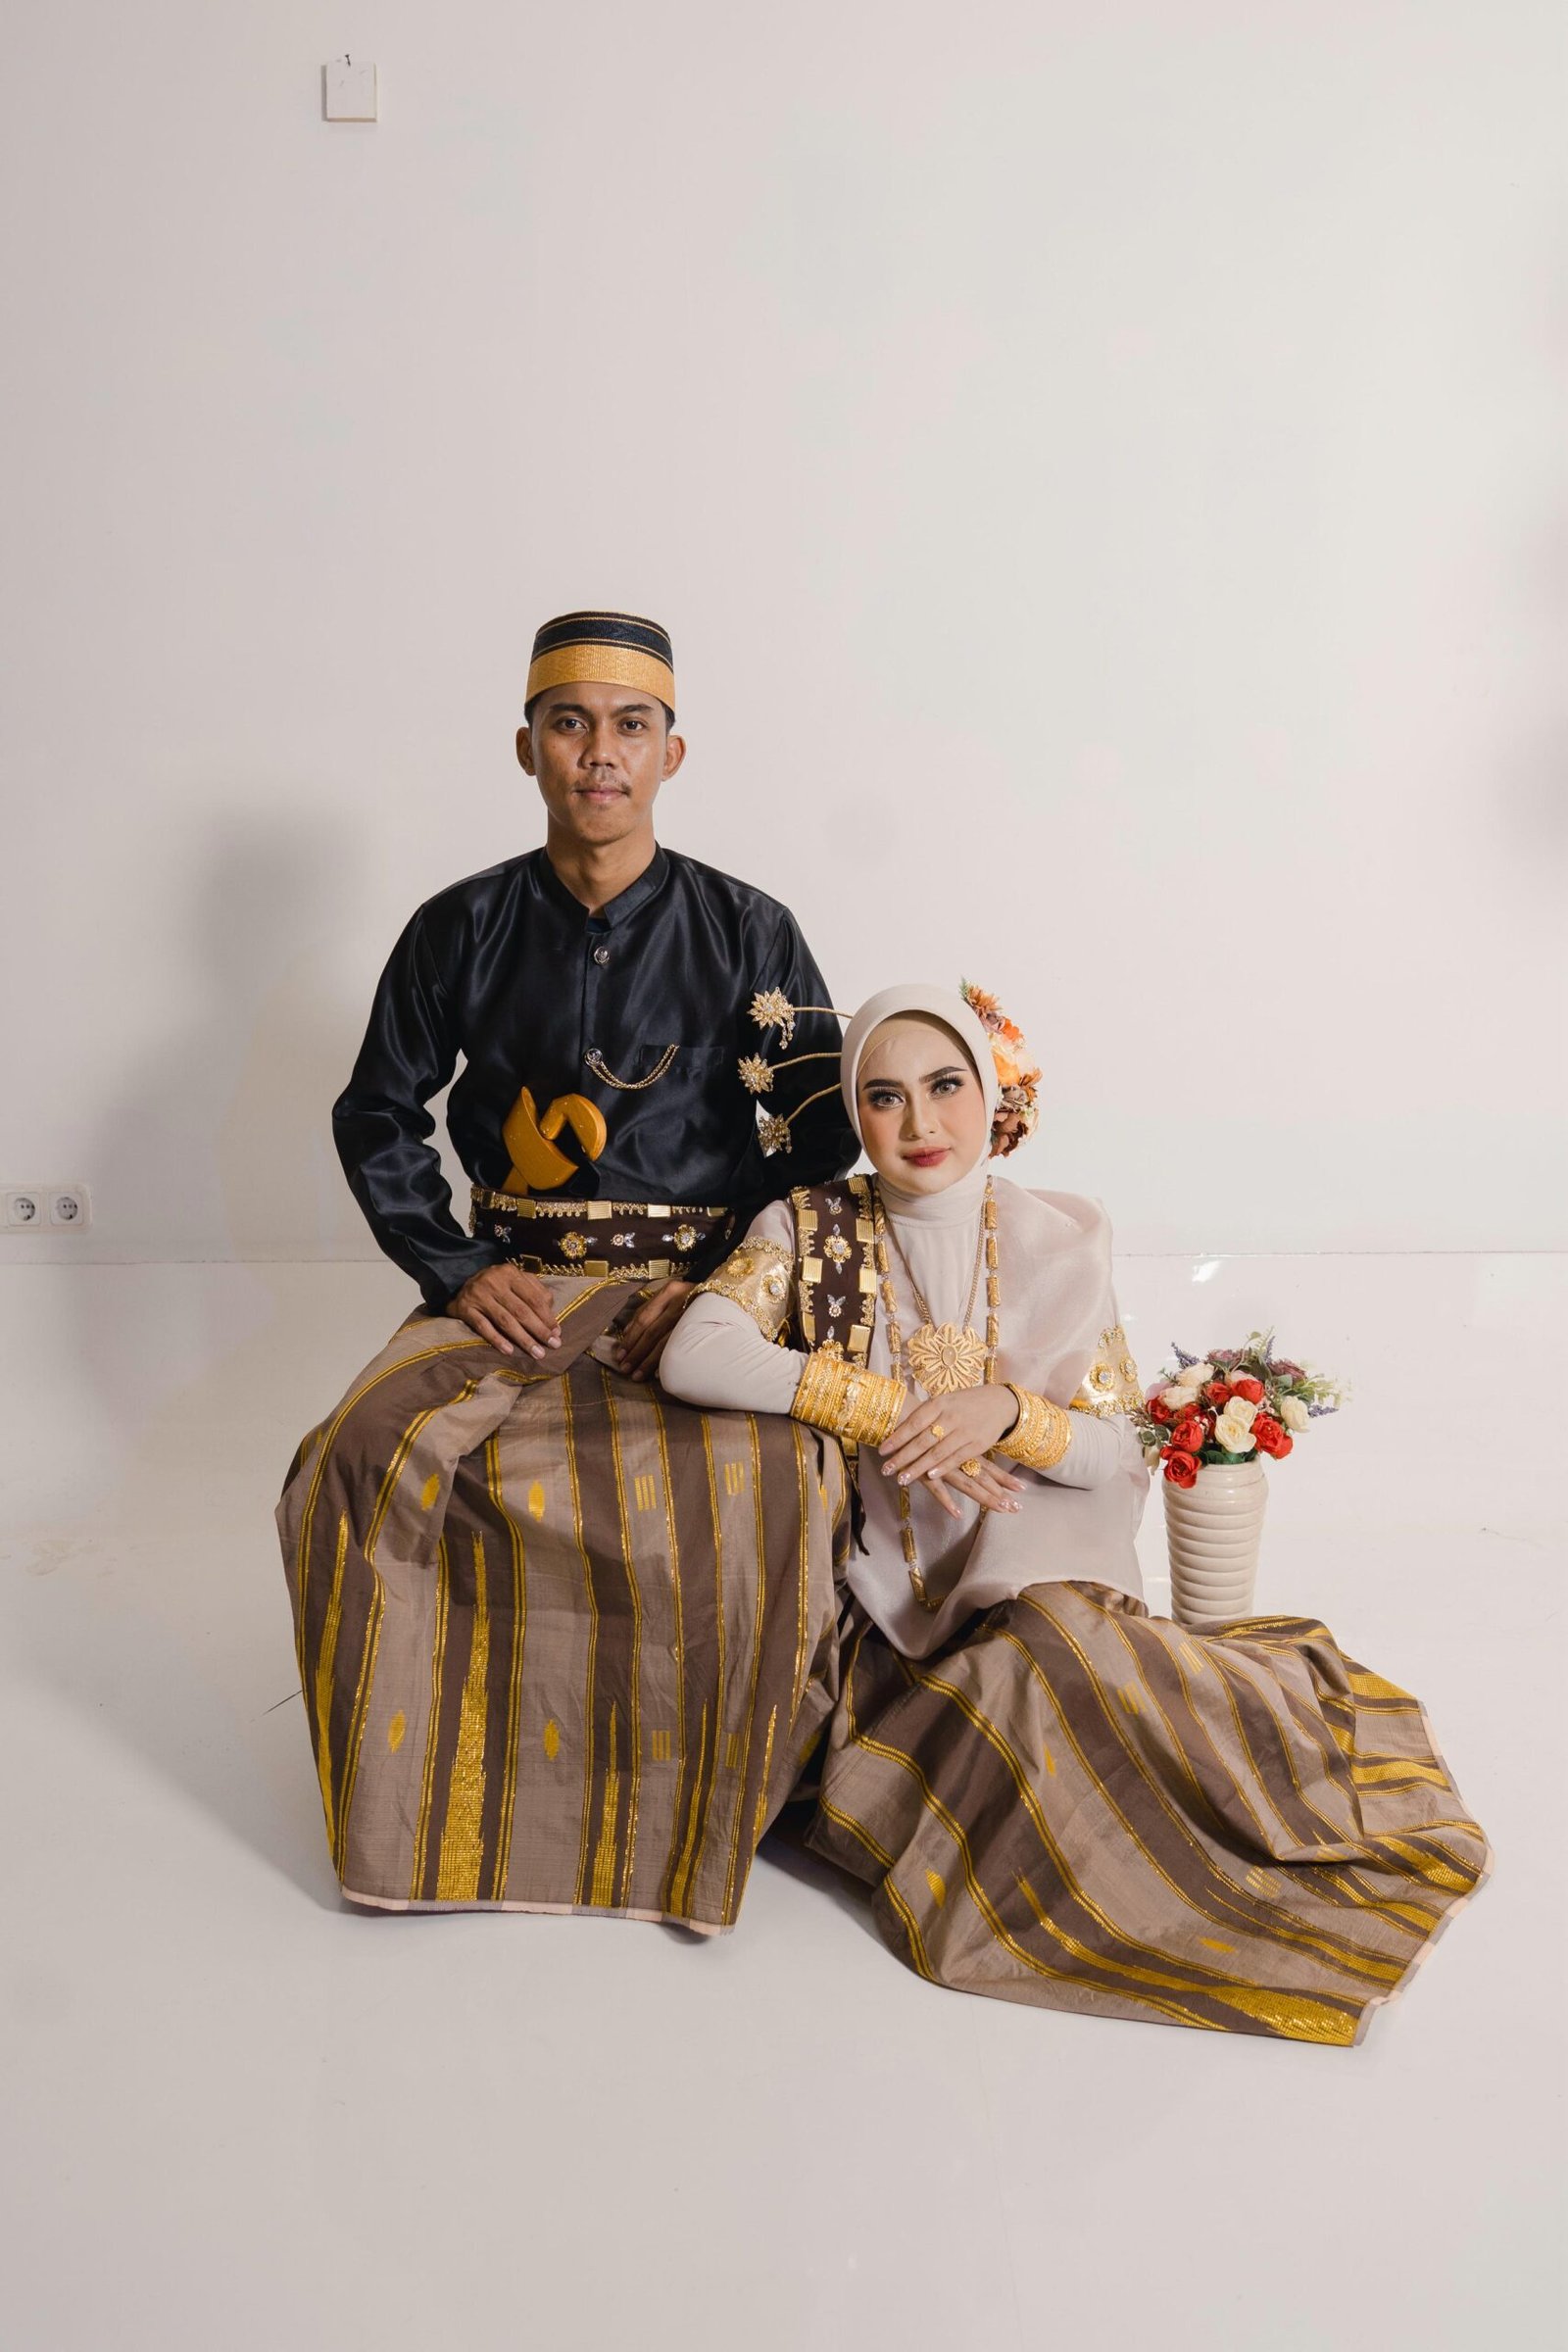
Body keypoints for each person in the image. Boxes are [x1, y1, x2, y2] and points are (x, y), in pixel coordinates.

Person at [660, 983, 1492, 2041]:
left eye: (945, 1086)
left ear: (990, 1090)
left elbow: (1114, 1446)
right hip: (884, 1608)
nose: (919, 1124)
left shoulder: (1056, 1234)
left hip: (1040, 1572)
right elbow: (695, 1351)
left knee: (1050, 1653)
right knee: (1021, 1685)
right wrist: (884, 1408)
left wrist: (1008, 1412)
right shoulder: (810, 1227)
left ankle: (1186, 1889)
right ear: (854, 1112)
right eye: (884, 1097)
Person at [277, 612, 858, 1924]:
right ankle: (420, 1815)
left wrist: (729, 1293)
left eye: (630, 726)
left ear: (672, 754)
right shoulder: (460, 925)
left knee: (763, 1486)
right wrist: (452, 1264)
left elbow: (820, 1145)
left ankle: (713, 1806)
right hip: (514, 1286)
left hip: (698, 1295)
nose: (601, 752)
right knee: (355, 1458)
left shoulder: (749, 928)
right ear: (527, 747)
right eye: (570, 723)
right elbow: (378, 1113)